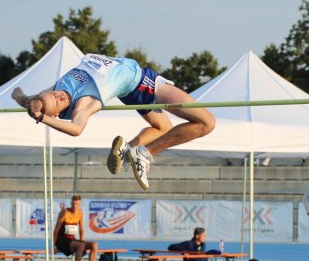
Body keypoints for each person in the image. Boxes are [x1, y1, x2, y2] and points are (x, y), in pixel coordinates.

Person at [11, 54, 215, 190]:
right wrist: (42, 118)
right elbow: (76, 129)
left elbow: (31, 101)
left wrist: (20, 97)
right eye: (57, 101)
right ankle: (145, 154)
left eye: (53, 94)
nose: (57, 95)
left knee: (163, 128)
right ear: (55, 114)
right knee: (206, 123)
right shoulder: (85, 103)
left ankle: (129, 149)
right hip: (145, 83)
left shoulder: (57, 88)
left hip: (130, 89)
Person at [53, 195, 100, 261]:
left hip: (72, 241)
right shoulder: (65, 212)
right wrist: (53, 246)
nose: (75, 206)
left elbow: (81, 230)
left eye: (77, 204)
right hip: (62, 241)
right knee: (80, 246)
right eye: (73, 204)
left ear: (80, 204)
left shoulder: (80, 213)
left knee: (94, 244)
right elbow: (56, 230)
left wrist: (82, 243)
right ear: (71, 203)